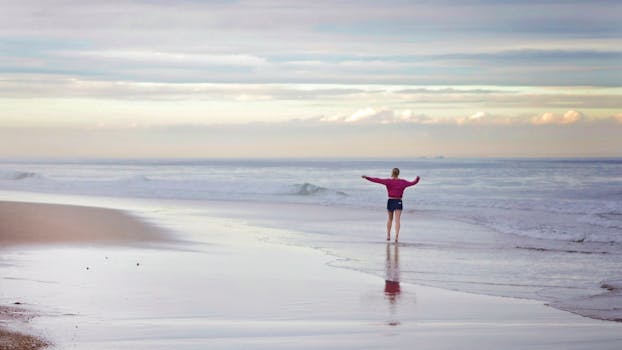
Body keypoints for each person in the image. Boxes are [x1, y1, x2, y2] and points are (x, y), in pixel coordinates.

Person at [362, 168, 420, 242]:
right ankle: (396, 237)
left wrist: (367, 177)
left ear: (392, 173)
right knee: (397, 220)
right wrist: (417, 179)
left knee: (390, 219)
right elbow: (413, 183)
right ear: (398, 173)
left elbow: (377, 180)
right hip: (398, 201)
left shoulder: (388, 181)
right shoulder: (403, 182)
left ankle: (388, 236)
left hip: (391, 201)